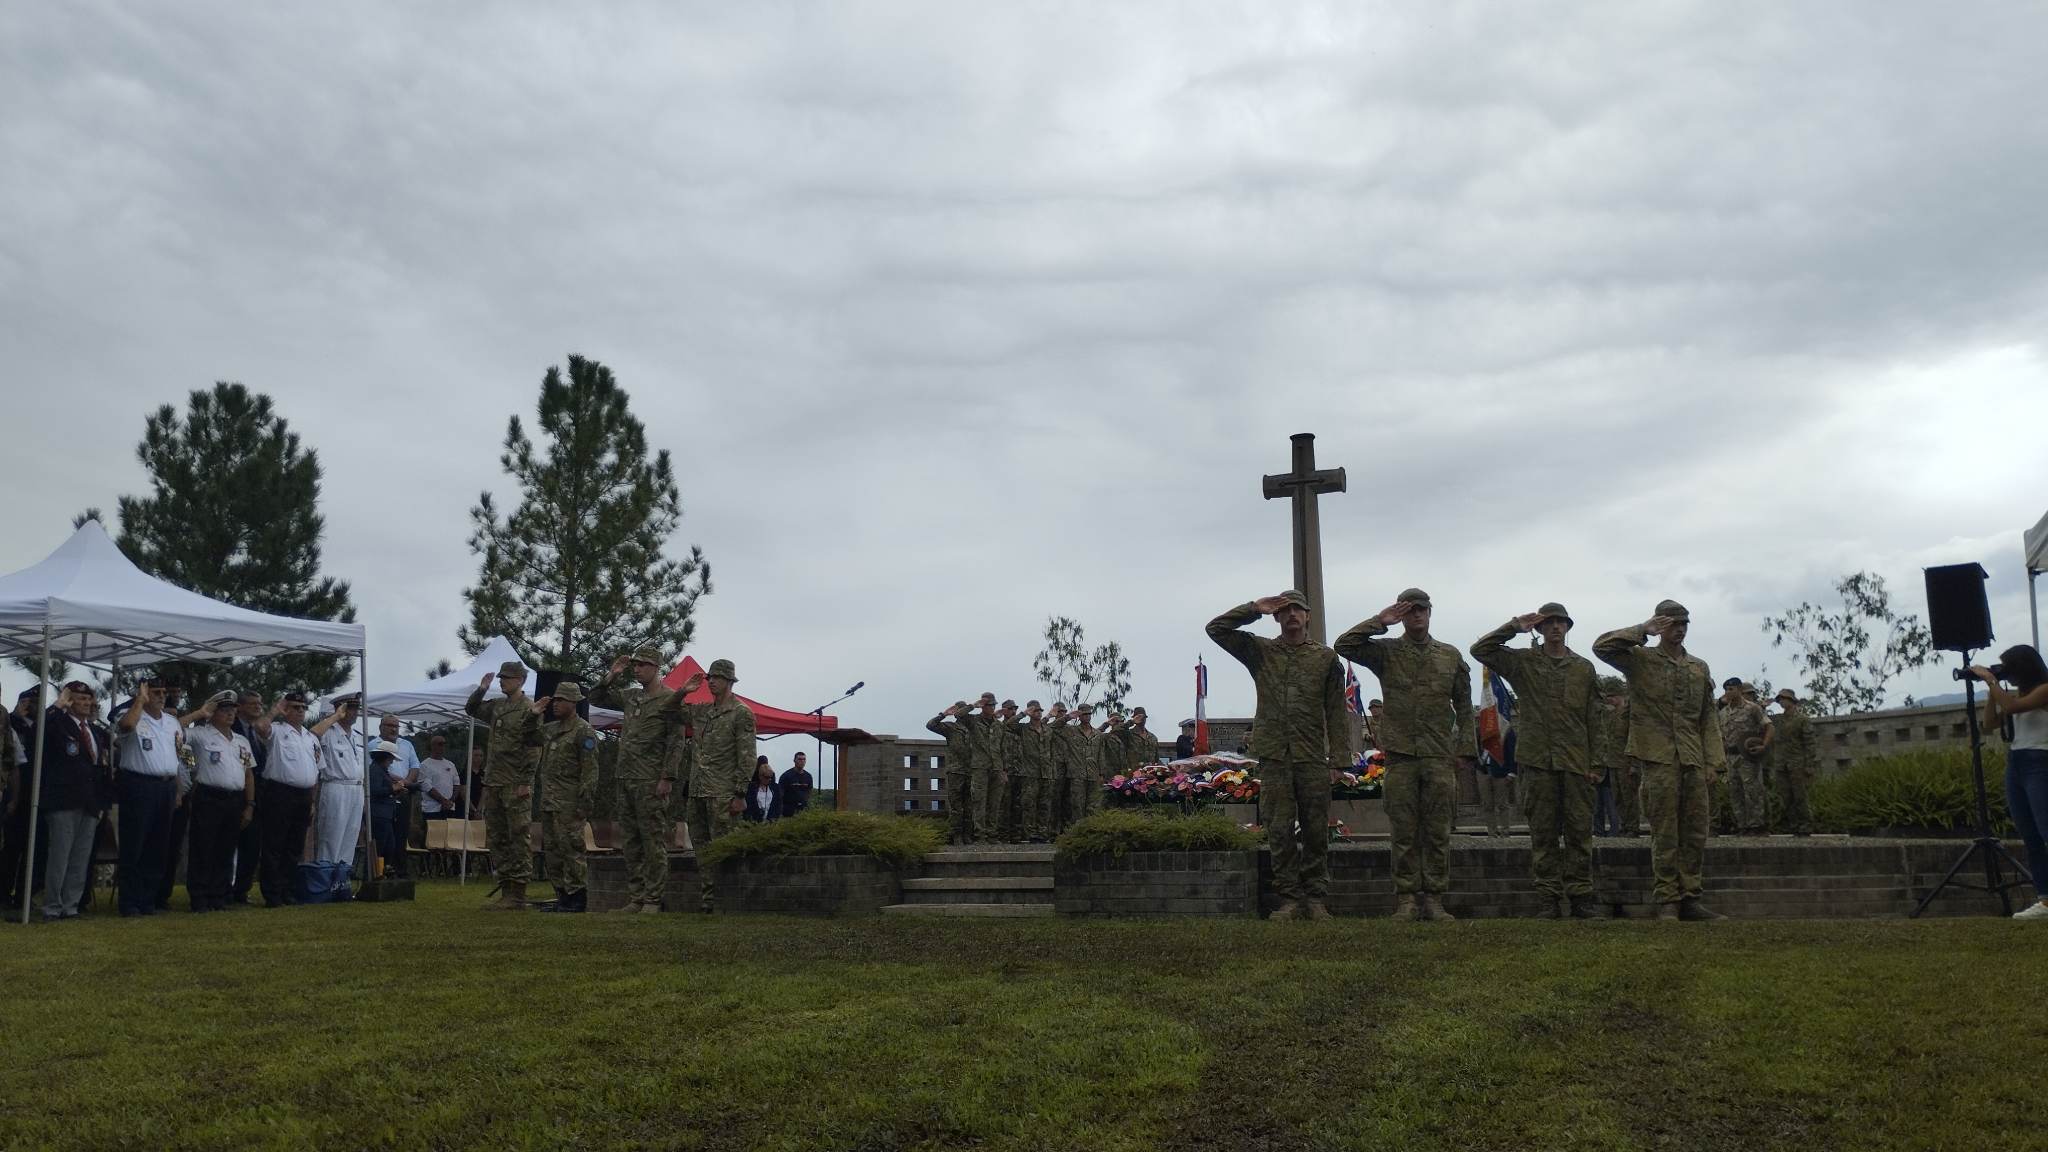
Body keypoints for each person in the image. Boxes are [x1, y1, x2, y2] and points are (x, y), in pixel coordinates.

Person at [1337, 589, 1476, 922]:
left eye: (1421, 610)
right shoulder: (1387, 652)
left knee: (1438, 831)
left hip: (1439, 756)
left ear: (1430, 613)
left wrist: (1465, 750)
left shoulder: (1449, 656)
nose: (1417, 615)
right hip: (1400, 756)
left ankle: (1435, 898)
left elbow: (1465, 707)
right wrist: (1380, 621)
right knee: (1403, 831)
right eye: (1410, 610)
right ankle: (1407, 899)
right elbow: (1344, 645)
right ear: (1402, 614)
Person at [1209, 591, 1347, 922]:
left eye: (1298, 609)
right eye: (1284, 610)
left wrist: (1339, 760)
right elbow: (1216, 629)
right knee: (1279, 828)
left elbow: (1336, 711)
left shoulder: (1326, 659)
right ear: (1276, 617)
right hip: (1275, 756)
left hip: (1312, 755)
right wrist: (1253, 609)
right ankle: (1289, 898)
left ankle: (1314, 898)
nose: (1291, 615)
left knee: (1315, 829)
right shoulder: (1262, 651)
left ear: (1308, 615)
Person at [1595, 601, 1727, 920]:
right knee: (1665, 830)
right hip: (1657, 757)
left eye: (1683, 624)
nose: (1679, 629)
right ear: (1660, 626)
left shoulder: (1698, 667)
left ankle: (1691, 897)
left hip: (1693, 758)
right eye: (1672, 624)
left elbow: (1707, 718)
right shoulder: (1640, 659)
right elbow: (1602, 647)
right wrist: (1642, 629)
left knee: (1695, 831)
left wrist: (1714, 762)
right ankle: (1668, 898)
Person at [1472, 603, 1604, 918]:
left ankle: (1581, 897)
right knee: (1542, 833)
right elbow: (1481, 650)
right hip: (1537, 762)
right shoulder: (1524, 663)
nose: (1556, 627)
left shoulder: (1583, 668)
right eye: (1549, 622)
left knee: (1579, 833)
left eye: (1561, 622)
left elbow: (1594, 718)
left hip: (1576, 762)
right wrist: (1513, 626)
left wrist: (1597, 763)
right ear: (1540, 628)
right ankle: (1548, 899)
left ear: (1568, 627)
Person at [593, 647, 681, 914]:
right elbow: (596, 696)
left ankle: (653, 899)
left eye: (642, 665)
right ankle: (637, 897)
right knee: (630, 840)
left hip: (650, 779)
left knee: (652, 840)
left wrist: (667, 777)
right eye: (635, 665)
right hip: (626, 777)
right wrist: (613, 674)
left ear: (656, 667)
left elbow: (676, 742)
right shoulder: (632, 697)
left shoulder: (670, 699)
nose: (637, 669)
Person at [674, 659, 758, 913]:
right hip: (698, 792)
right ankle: (708, 899)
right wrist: (682, 692)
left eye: (718, 678)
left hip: (723, 794)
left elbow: (747, 756)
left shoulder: (741, 713)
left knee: (725, 848)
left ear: (730, 682)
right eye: (710, 677)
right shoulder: (702, 712)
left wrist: (740, 793)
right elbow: (670, 711)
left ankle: (728, 898)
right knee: (701, 848)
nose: (711, 682)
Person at [1972, 647, 2048, 921]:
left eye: (2008, 668)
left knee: (2046, 829)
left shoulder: (2044, 690)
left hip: (2041, 762)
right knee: (2031, 837)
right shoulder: (2016, 695)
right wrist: (1992, 689)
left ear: (2022, 667)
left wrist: (1992, 681)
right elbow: (1989, 724)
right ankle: (2046, 900)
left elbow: (2013, 708)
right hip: (2016, 763)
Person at [464, 663, 543, 910]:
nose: (502, 682)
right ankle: (507, 889)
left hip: (515, 783)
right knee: (498, 838)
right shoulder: (498, 705)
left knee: (518, 836)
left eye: (506, 678)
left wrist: (525, 782)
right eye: (501, 678)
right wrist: (482, 688)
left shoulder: (528, 709)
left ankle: (518, 892)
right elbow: (472, 709)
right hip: (495, 781)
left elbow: (533, 749)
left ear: (520, 680)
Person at [38, 684, 108, 920]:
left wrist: (100, 803)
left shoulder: (95, 731)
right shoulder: (58, 723)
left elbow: (99, 769)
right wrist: (59, 705)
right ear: (70, 700)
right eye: (80, 699)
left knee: (80, 857)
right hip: (63, 800)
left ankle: (71, 905)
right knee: (60, 855)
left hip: (89, 802)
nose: (86, 703)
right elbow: (39, 731)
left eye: (89, 699)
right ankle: (52, 906)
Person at [114, 676, 184, 917]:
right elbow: (125, 727)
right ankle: (129, 901)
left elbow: (175, 758)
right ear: (143, 693)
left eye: (164, 692)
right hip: (138, 785)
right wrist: (139, 702)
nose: (161, 696)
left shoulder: (173, 722)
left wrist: (176, 789)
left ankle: (148, 900)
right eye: (155, 692)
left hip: (165, 786)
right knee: (135, 844)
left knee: (158, 845)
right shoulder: (131, 714)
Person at [181, 692, 256, 912]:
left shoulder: (241, 741)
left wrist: (250, 805)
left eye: (233, 710)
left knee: (226, 849)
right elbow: (173, 730)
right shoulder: (201, 735)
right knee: (203, 848)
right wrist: (199, 713)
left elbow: (248, 774)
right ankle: (199, 897)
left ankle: (219, 895)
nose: (230, 714)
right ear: (213, 713)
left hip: (235, 799)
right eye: (224, 710)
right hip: (209, 796)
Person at [537, 682, 599, 913]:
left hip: (570, 803)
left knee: (572, 850)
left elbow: (590, 771)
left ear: (573, 703)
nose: (556, 704)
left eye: (561, 700)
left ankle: (578, 897)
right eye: (555, 700)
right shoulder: (551, 730)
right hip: (550, 802)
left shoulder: (583, 731)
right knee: (552, 851)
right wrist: (533, 714)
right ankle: (562, 896)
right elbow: (527, 737)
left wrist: (584, 805)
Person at [257, 692, 321, 907]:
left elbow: (314, 772)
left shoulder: (310, 738)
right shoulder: (277, 730)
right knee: (275, 844)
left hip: (303, 795)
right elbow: (260, 728)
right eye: (294, 707)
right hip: (279, 792)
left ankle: (288, 890)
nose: (300, 711)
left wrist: (312, 801)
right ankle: (272, 893)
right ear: (286, 710)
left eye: (303, 707)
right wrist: (275, 710)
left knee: (294, 846)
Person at [311, 694, 365, 868]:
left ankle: (341, 879)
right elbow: (312, 735)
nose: (355, 713)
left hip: (356, 789)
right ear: (340, 709)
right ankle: (325, 876)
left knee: (350, 836)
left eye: (356, 709)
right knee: (331, 836)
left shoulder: (357, 736)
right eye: (350, 708)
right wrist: (335, 717)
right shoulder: (329, 731)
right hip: (336, 786)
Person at [226, 690, 269, 905]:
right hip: (234, 792)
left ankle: (240, 891)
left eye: (260, 703)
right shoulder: (231, 729)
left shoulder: (255, 733)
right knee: (228, 845)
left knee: (251, 848)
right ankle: (224, 889)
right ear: (240, 707)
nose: (258, 707)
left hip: (257, 795)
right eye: (252, 704)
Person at [1717, 677, 1770, 835]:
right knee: (1735, 792)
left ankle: (1757, 826)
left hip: (1748, 755)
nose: (1728, 692)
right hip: (1731, 757)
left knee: (1753, 791)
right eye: (1726, 689)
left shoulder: (1752, 708)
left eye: (1731, 689)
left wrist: (1764, 745)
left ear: (1740, 690)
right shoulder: (1723, 713)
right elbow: (1720, 735)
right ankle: (1742, 826)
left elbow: (1769, 726)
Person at [1769, 688, 1820, 837]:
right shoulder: (1778, 719)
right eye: (1780, 699)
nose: (1782, 702)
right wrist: (1763, 705)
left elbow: (1810, 743)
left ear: (1791, 700)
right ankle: (1794, 826)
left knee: (1800, 796)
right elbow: (1762, 720)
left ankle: (1805, 826)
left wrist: (1809, 765)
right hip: (1781, 764)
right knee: (1786, 797)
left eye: (1784, 699)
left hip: (1797, 763)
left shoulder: (1802, 719)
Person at [926, 701, 979, 845]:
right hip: (956, 771)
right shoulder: (951, 727)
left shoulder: (973, 728)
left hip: (970, 771)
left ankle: (967, 835)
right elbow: (930, 725)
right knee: (956, 806)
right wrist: (943, 714)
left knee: (969, 806)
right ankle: (956, 835)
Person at [375, 714, 421, 877]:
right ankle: (381, 870)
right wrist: (399, 783)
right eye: (389, 725)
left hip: (404, 793)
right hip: (384, 795)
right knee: (385, 836)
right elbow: (377, 771)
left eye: (396, 725)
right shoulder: (373, 745)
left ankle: (399, 870)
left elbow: (415, 766)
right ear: (381, 727)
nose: (393, 729)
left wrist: (406, 782)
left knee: (401, 834)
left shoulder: (407, 744)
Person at [2, 689, 35, 911]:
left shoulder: (9, 732)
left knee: (9, 848)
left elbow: (15, 767)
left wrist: (14, 799)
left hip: (8, 798)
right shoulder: (12, 720)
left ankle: (5, 895)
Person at [1593, 677, 1639, 837]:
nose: (1610, 700)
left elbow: (1633, 739)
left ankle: (1633, 827)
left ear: (1621, 696)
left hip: (1626, 762)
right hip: (1612, 762)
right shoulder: (1609, 716)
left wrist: (1634, 764)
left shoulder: (1628, 715)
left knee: (1629, 797)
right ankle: (1624, 825)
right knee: (1617, 797)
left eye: (1612, 696)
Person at [1005, 701, 1052, 843]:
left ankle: (1042, 833)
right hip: (1029, 773)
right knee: (1029, 805)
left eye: (1040, 710)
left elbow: (1052, 751)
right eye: (1035, 710)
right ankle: (1030, 834)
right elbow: (1009, 724)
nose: (1038, 712)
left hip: (1046, 773)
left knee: (1044, 805)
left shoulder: (1048, 730)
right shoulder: (1024, 728)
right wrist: (1023, 713)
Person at [367, 737, 408, 878]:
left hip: (386, 813)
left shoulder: (382, 770)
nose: (392, 762)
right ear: (385, 756)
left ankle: (383, 871)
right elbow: (374, 791)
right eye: (391, 758)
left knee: (389, 845)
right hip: (378, 814)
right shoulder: (375, 770)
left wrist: (395, 792)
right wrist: (393, 788)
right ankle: (375, 873)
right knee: (380, 846)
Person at [1060, 704, 1105, 828]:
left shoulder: (1097, 734)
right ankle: (1078, 831)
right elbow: (1053, 727)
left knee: (1094, 805)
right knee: (1077, 805)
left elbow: (1101, 754)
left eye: (1089, 714)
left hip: (1093, 774)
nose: (1087, 716)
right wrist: (1068, 717)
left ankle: (1091, 830)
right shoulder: (1071, 731)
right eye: (1084, 714)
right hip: (1077, 775)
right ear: (1079, 716)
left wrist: (1101, 774)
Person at [417, 735, 460, 825]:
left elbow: (456, 784)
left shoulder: (450, 764)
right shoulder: (425, 765)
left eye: (444, 744)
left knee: (448, 837)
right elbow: (427, 787)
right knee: (432, 838)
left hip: (449, 808)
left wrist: (450, 801)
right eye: (440, 744)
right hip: (432, 810)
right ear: (432, 746)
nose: (443, 746)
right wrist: (443, 801)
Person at [1043, 702, 1071, 835]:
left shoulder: (1071, 729)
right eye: (1060, 712)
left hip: (1070, 768)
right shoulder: (1049, 727)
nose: (1063, 714)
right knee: (1054, 800)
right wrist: (1049, 715)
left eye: (1065, 712)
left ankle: (1065, 829)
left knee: (1068, 801)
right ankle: (1052, 830)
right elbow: (1042, 727)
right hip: (1054, 768)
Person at [743, 758, 781, 824]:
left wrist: (774, 819)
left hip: (771, 822)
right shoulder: (751, 788)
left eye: (771, 777)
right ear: (760, 776)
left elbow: (778, 805)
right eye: (767, 777)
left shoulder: (775, 788)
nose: (769, 779)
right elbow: (749, 806)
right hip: (754, 822)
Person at [777, 752, 814, 818]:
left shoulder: (808, 776)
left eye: (804, 759)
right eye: (799, 759)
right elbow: (780, 794)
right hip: (788, 811)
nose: (802, 761)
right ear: (794, 760)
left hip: (803, 811)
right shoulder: (786, 776)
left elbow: (809, 792)